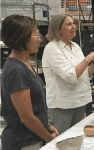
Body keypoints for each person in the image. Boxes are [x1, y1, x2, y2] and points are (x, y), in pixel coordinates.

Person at [0, 15, 59, 150]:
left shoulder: (25, 64)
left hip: (33, 138)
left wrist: (48, 124)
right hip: (23, 142)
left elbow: (36, 106)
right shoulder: (16, 70)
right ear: (23, 37)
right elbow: (26, 117)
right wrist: (49, 139)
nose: (40, 39)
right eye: (37, 34)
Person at [42, 13, 94, 134]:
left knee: (77, 137)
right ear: (58, 29)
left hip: (79, 101)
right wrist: (89, 57)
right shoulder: (52, 48)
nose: (74, 26)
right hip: (62, 105)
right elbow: (70, 76)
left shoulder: (75, 46)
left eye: (74, 23)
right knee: (61, 141)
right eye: (69, 24)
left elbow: (85, 75)